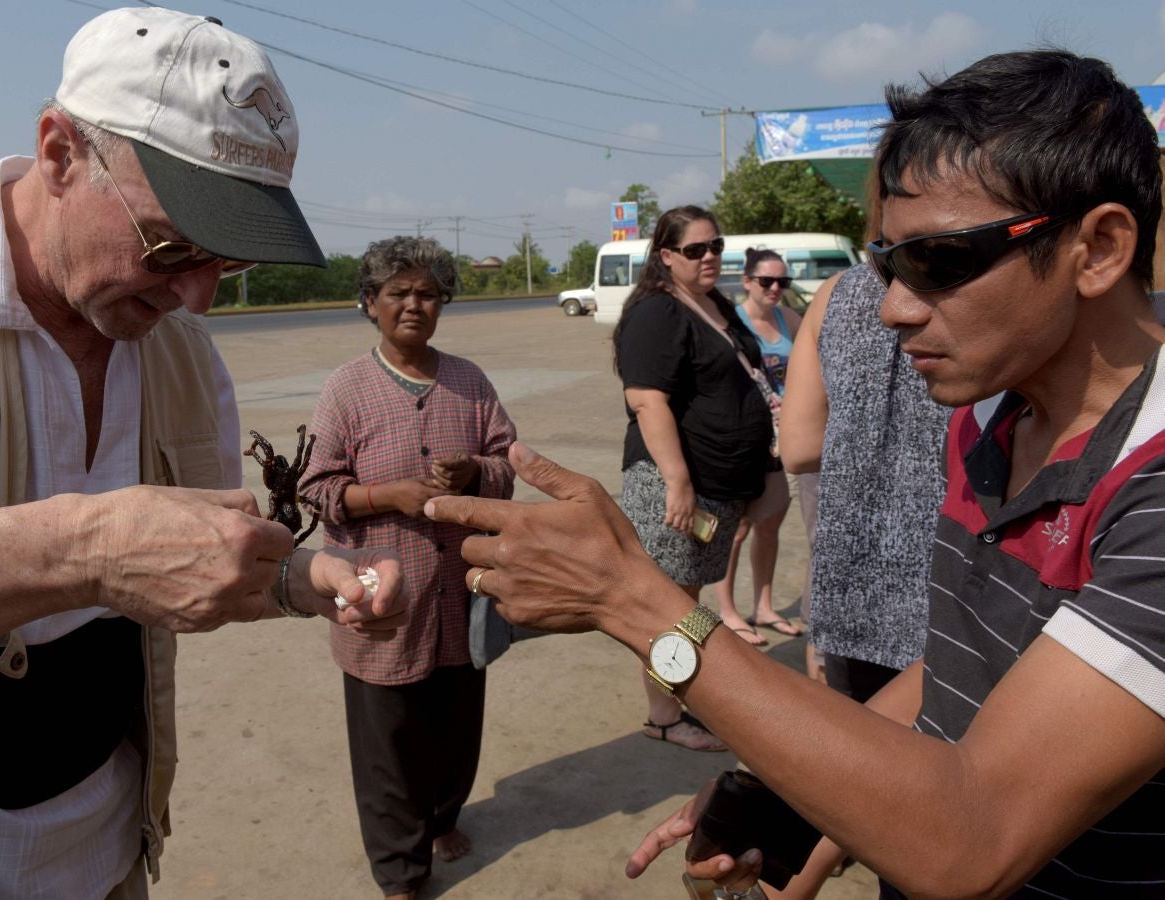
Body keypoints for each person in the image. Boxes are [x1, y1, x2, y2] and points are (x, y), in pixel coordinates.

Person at [426, 49, 1165, 899]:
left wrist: (633, 601)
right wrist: (795, 789)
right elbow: (962, 668)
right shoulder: (991, 419)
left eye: (940, 262)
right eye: (888, 264)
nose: (892, 307)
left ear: (1101, 247)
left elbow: (977, 835)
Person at [0, 9, 407, 897]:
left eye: (230, 264)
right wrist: (81, 551)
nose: (198, 297)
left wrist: (293, 581)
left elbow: (181, 563)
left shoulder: (180, 353)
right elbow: (104, 556)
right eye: (172, 245)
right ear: (59, 152)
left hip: (104, 853)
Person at [298, 236, 516, 899]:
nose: (413, 305)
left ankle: (443, 816)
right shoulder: (346, 389)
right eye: (398, 293)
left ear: (443, 303)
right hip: (381, 605)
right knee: (386, 747)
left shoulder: (470, 382)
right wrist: (386, 496)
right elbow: (315, 488)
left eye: (427, 293)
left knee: (455, 729)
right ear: (370, 304)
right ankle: (400, 871)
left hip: (460, 595)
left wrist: (475, 470)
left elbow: (508, 465)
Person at [612, 206, 774, 752]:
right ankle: (663, 714)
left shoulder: (713, 304)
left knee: (686, 600)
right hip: (677, 487)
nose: (709, 257)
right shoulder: (658, 312)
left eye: (716, 246)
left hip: (716, 488)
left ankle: (676, 699)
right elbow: (646, 400)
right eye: (694, 250)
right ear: (665, 256)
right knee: (668, 606)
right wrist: (678, 482)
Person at [780, 261, 949, 704]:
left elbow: (797, 447)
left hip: (854, 600)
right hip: (956, 602)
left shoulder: (835, 294)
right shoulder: (992, 280)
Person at [712, 248, 804, 643]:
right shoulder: (733, 321)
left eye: (782, 282)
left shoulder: (790, 319)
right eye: (766, 281)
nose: (775, 289)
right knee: (737, 529)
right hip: (748, 438)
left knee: (770, 525)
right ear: (747, 281)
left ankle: (763, 607)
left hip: (784, 438)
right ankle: (728, 611)